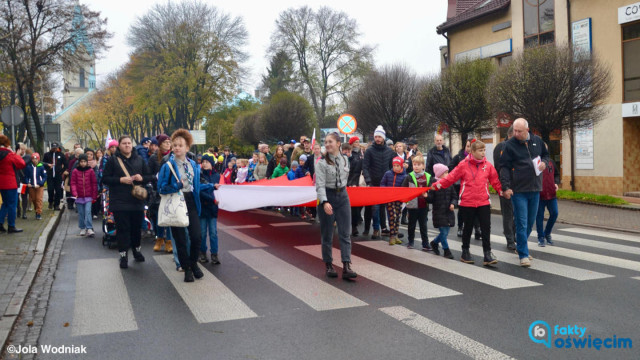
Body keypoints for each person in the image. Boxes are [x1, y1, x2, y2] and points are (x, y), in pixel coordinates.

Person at [432, 140, 502, 266]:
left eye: (484, 150)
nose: (483, 153)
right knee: (468, 228)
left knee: (486, 228)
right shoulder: (463, 165)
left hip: (483, 201)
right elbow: (450, 178)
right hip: (467, 202)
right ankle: (465, 251)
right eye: (480, 150)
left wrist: (502, 191)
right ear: (473, 151)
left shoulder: (487, 165)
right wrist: (437, 185)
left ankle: (487, 253)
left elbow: (494, 180)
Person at [499, 118, 550, 267]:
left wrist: (544, 163)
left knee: (530, 222)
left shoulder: (537, 141)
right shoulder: (509, 145)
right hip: (519, 190)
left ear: (527, 130)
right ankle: (523, 254)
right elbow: (504, 167)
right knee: (521, 222)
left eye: (519, 131)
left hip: (535, 189)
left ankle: (521, 245)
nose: (516, 133)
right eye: (514, 130)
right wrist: (506, 187)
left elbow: (546, 155)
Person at [158, 129, 204, 282]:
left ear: (187, 148)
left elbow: (196, 186)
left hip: (191, 202)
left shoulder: (193, 164)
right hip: (176, 203)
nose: (177, 148)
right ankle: (187, 269)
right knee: (181, 240)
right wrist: (176, 186)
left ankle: (193, 263)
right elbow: (161, 188)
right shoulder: (167, 165)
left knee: (197, 236)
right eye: (175, 145)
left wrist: (212, 186)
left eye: (180, 145)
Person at [102, 135, 154, 269]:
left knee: (136, 228)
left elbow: (150, 177)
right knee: (123, 229)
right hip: (119, 201)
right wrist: (120, 180)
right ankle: (123, 255)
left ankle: (137, 250)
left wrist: (141, 178)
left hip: (136, 200)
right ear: (119, 146)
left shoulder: (140, 159)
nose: (127, 145)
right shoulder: (113, 160)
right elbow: (105, 179)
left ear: (132, 145)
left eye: (129, 143)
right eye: (124, 143)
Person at [316, 132, 356, 280]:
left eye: (330, 142)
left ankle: (346, 266)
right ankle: (328, 265)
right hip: (328, 196)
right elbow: (319, 186)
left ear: (339, 143)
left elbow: (345, 179)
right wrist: (325, 202)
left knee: (345, 233)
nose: (327, 145)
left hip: (343, 197)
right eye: (325, 142)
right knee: (327, 234)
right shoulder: (321, 162)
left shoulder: (345, 159)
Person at [362, 125, 395, 240]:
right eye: (376, 136)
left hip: (385, 184)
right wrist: (368, 180)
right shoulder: (369, 150)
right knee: (374, 208)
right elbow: (365, 167)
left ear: (383, 138)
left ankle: (385, 228)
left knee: (385, 208)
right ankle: (376, 229)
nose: (377, 139)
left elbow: (393, 167)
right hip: (373, 183)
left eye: (379, 137)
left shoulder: (389, 151)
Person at [450, 140, 481, 240]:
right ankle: (460, 227)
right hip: (460, 187)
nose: (469, 149)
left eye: (471, 147)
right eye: (467, 146)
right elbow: (451, 169)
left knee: (476, 208)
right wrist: (459, 174)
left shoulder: (478, 158)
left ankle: (477, 229)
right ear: (465, 146)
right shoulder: (458, 157)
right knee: (462, 209)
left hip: (475, 187)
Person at [401, 155, 433, 251]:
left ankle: (425, 243)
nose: (416, 167)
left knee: (423, 226)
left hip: (424, 205)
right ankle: (410, 242)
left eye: (418, 165)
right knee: (411, 225)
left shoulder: (428, 176)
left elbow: (432, 190)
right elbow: (403, 189)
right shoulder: (409, 176)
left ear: (423, 166)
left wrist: (428, 197)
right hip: (412, 206)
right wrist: (406, 203)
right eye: (414, 164)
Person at [493, 127, 517, 250]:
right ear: (511, 134)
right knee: (507, 213)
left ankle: (514, 234)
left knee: (517, 213)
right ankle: (510, 239)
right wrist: (503, 186)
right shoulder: (500, 147)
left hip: (519, 185)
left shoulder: (519, 146)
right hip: (505, 185)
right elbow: (499, 168)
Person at [149, 134, 173, 254]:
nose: (168, 143)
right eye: (165, 142)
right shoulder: (153, 158)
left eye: (169, 141)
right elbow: (148, 174)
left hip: (170, 190)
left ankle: (169, 241)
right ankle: (159, 239)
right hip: (157, 191)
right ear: (160, 144)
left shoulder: (172, 156)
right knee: (159, 217)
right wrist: (156, 177)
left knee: (168, 217)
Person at [427, 164, 456, 259]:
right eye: (445, 172)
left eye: (447, 172)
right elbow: (430, 199)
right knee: (443, 232)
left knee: (445, 232)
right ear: (439, 174)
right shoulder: (434, 185)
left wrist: (453, 204)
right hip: (438, 212)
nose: (447, 174)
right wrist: (426, 196)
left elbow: (454, 196)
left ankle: (434, 242)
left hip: (448, 212)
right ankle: (446, 250)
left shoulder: (449, 184)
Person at [0, 135, 26, 233]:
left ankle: (0, 223)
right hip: (10, 183)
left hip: (1, 183)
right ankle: (11, 226)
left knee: (5, 204)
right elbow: (21, 164)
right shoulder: (9, 154)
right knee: (12, 204)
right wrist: (14, 154)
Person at [536, 144, 560, 247]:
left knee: (554, 213)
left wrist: (556, 182)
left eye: (545, 147)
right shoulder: (535, 162)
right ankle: (541, 237)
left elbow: (556, 174)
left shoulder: (551, 161)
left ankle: (547, 233)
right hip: (539, 194)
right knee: (539, 217)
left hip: (551, 193)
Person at [198, 153, 220, 265]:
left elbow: (219, 191)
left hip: (213, 209)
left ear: (212, 163)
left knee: (213, 232)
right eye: (203, 162)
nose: (204, 164)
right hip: (203, 207)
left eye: (207, 162)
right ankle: (202, 253)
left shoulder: (217, 176)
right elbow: (200, 191)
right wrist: (212, 200)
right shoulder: (199, 175)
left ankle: (214, 254)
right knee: (202, 233)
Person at [380, 157, 407, 245]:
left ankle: (395, 235)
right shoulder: (388, 173)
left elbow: (405, 188)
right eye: (394, 165)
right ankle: (392, 236)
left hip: (399, 199)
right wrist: (386, 191)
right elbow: (382, 183)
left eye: (397, 166)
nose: (395, 167)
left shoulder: (405, 176)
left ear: (401, 166)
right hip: (390, 198)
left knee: (398, 216)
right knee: (393, 216)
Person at [70, 154, 98, 237]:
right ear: (79, 162)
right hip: (79, 196)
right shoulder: (75, 171)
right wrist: (75, 193)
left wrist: (94, 195)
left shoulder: (90, 171)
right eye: (81, 161)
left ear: (87, 162)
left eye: (84, 161)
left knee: (88, 211)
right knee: (81, 213)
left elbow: (94, 183)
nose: (83, 163)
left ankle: (89, 227)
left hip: (88, 196)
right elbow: (73, 183)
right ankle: (82, 227)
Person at [346, 137, 363, 236]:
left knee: (358, 205)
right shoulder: (349, 155)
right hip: (349, 182)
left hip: (358, 182)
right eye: (355, 142)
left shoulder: (361, 154)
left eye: (358, 142)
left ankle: (355, 223)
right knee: (352, 206)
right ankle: (353, 227)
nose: (357, 143)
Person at [42, 142, 67, 210]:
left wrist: (61, 171)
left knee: (58, 190)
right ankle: (50, 201)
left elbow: (65, 164)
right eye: (53, 148)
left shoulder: (61, 155)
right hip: (50, 175)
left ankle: (57, 204)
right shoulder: (47, 155)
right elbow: (43, 163)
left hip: (58, 176)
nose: (54, 149)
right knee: (50, 189)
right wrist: (47, 167)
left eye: (55, 148)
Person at [25, 153, 46, 220]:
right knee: (33, 199)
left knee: (38, 199)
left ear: (38, 159)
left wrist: (40, 183)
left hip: (39, 186)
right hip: (32, 186)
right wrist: (28, 183)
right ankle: (36, 210)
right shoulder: (29, 167)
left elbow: (44, 177)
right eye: (33, 159)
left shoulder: (41, 167)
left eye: (36, 159)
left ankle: (38, 213)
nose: (34, 160)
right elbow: (26, 176)